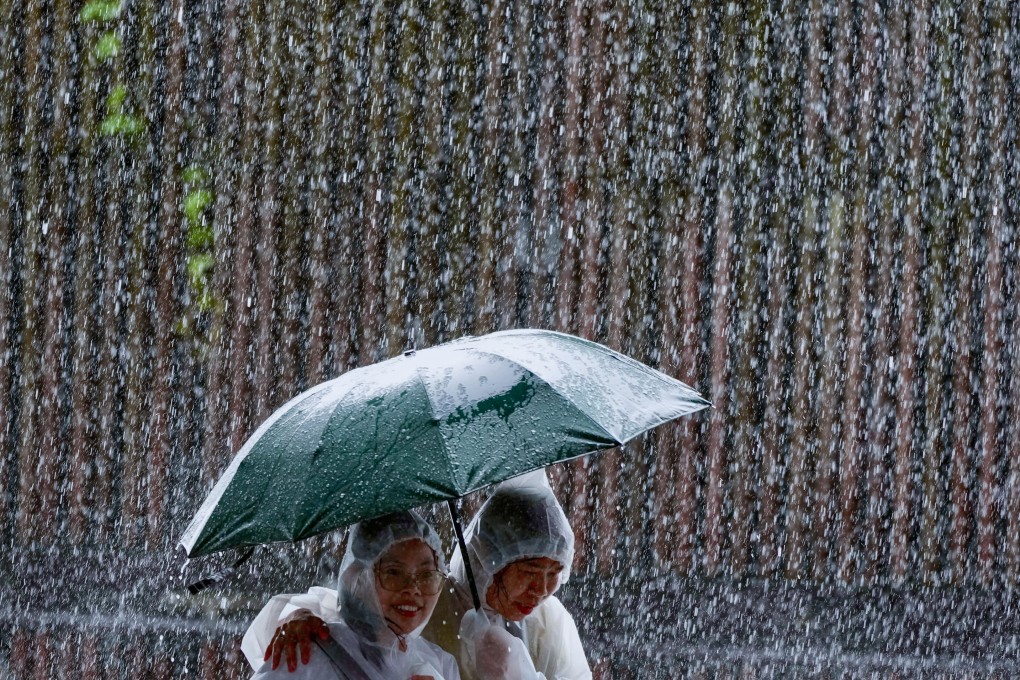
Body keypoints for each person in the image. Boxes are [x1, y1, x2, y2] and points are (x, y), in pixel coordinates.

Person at [244, 473, 591, 680]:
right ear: (488, 556)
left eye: (555, 573)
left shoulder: (548, 623)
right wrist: (297, 618)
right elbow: (345, 620)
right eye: (529, 572)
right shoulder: (428, 609)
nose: (541, 590)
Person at [246, 510, 461, 680]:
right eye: (393, 572)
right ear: (358, 577)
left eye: (427, 575)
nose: (413, 588)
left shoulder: (439, 663)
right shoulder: (312, 653)